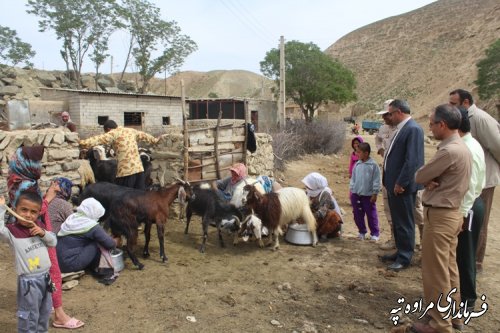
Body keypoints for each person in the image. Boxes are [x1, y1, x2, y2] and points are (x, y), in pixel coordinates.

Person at [7, 145, 84, 330]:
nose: (38, 166)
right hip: (36, 233)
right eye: (35, 162)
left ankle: (51, 310)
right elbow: (30, 213)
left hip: (37, 233)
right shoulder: (25, 185)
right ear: (28, 164)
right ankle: (59, 315)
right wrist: (48, 198)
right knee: (52, 273)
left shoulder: (17, 178)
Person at [413, 104, 471, 333]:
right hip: (451, 215)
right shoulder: (462, 147)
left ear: (442, 125)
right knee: (448, 268)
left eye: (432, 124)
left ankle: (439, 324)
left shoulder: (449, 151)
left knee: (435, 272)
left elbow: (419, 175)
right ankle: (454, 316)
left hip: (440, 217)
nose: (430, 127)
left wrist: (427, 179)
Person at [449, 89, 500, 273]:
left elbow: (497, 146)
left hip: (482, 180)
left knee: (479, 222)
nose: (450, 107)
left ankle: (476, 263)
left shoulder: (481, 119)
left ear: (465, 103)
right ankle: (463, 259)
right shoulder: (462, 119)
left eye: (454, 104)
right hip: (467, 179)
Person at [0, 192, 57, 333]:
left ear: (38, 213)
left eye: (33, 212)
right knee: (29, 315)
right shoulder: (12, 231)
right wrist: (1, 209)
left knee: (44, 312)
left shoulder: (38, 226)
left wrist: (43, 233)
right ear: (15, 209)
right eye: (24, 210)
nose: (28, 215)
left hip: (45, 278)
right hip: (29, 283)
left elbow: (53, 242)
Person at [380, 99, 424, 272]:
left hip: (402, 187)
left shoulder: (413, 129)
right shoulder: (402, 128)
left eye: (390, 113)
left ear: (399, 112)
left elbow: (412, 161)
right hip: (394, 185)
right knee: (398, 221)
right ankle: (400, 251)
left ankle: (405, 257)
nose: (389, 116)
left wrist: (400, 182)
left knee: (405, 222)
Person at [456, 106, 485, 314]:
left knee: (466, 254)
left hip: (469, 207)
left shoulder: (468, 148)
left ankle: (468, 300)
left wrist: (463, 214)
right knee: (459, 253)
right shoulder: (467, 144)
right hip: (468, 206)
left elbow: (470, 186)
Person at [79, 119, 163, 190]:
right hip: (139, 169)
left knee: (124, 197)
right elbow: (145, 136)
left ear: (108, 129)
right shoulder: (130, 130)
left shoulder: (113, 133)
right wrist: (155, 140)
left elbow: (97, 139)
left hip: (126, 171)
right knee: (139, 196)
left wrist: (81, 142)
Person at [56, 198, 117, 279]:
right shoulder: (91, 226)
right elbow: (110, 244)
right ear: (94, 212)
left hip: (57, 263)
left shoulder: (72, 218)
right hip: (70, 265)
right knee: (97, 243)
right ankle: (98, 268)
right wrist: (115, 241)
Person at [349, 142, 381, 241]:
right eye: (356, 152)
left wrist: (375, 193)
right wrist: (353, 190)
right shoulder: (357, 165)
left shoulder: (373, 165)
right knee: (357, 214)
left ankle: (375, 233)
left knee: (371, 214)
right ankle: (362, 231)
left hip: (368, 195)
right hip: (356, 195)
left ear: (366, 153)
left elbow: (376, 180)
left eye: (359, 152)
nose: (357, 154)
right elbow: (353, 179)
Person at [301, 172, 343, 240]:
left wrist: (309, 217)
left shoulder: (325, 193)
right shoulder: (309, 192)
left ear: (314, 184)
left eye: (308, 184)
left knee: (331, 215)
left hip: (326, 220)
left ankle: (324, 234)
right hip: (316, 217)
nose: (306, 186)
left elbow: (322, 212)